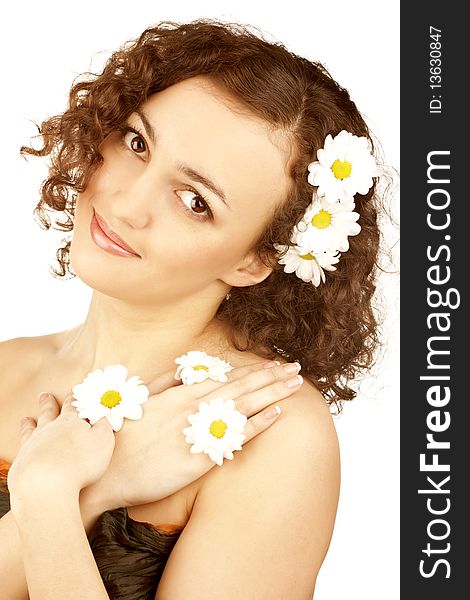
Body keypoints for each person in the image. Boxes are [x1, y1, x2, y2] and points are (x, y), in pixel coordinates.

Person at [0, 18, 383, 599]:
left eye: (194, 200)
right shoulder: (7, 369)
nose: (126, 201)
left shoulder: (270, 434)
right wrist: (99, 490)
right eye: (137, 143)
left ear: (255, 260)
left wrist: (54, 498)